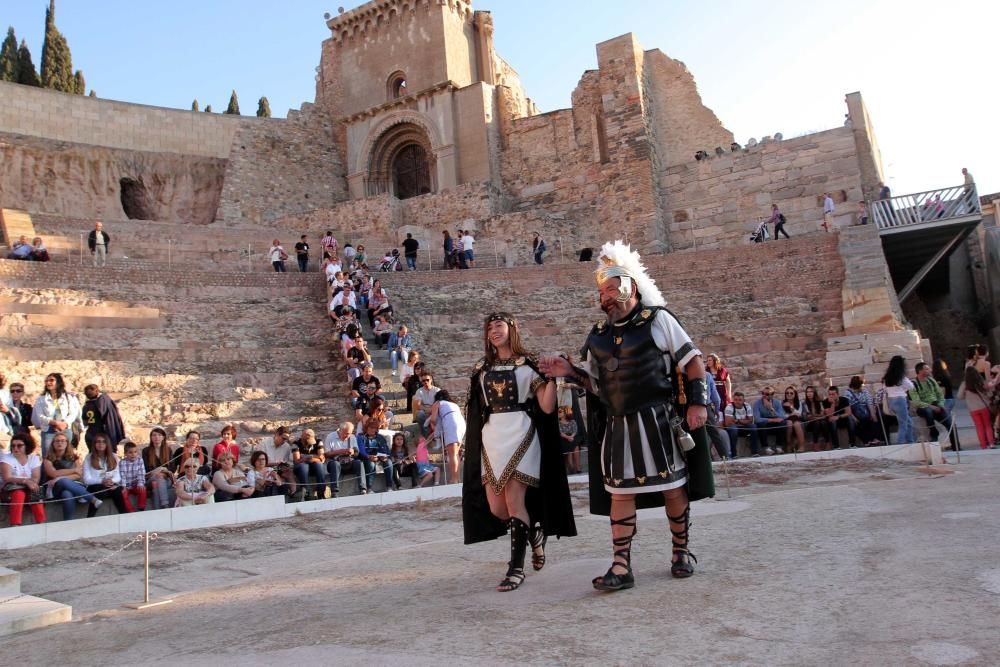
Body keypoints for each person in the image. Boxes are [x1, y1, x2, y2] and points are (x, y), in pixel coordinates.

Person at [540, 240, 711, 591]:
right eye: (600, 291)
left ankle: (681, 552)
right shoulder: (598, 335)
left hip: (658, 420)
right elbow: (596, 385)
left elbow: (692, 361)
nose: (604, 296)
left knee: (672, 487)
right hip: (617, 425)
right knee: (620, 492)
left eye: (609, 288)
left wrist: (697, 403)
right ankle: (621, 565)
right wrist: (568, 370)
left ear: (630, 286)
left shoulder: (659, 319)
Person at [464, 312, 575, 592]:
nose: (493, 331)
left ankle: (515, 569)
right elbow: (477, 411)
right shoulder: (482, 368)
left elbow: (547, 408)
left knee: (515, 503)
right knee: (498, 508)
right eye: (489, 327)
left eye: (498, 325)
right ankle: (535, 535)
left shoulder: (528, 365)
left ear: (512, 329)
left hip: (521, 433)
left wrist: (553, 379)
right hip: (491, 438)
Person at [43, 432, 98, 520]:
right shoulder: (48, 459)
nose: (59, 443)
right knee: (63, 482)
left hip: (74, 485)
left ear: (67, 443)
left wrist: (60, 478)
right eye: (57, 441)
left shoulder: (74, 457)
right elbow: (53, 473)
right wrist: (73, 470)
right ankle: (91, 499)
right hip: (55, 488)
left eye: (62, 441)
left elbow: (79, 474)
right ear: (53, 444)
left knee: (67, 493)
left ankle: (69, 522)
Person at [1, 432, 47, 526]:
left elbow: (35, 478)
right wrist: (25, 481)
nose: (15, 448)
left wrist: (30, 483)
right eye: (13, 446)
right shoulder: (6, 458)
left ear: (27, 446)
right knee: (19, 493)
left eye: (19, 445)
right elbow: (7, 478)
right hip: (9, 490)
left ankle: (42, 523)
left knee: (36, 489)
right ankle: (15, 524)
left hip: (28, 488)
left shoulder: (34, 458)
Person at [909, 361, 957, 449]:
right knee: (928, 411)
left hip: (935, 404)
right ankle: (933, 432)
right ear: (920, 371)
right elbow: (916, 401)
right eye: (926, 369)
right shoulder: (913, 384)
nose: (929, 370)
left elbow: (940, 394)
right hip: (923, 407)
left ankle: (956, 446)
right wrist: (931, 406)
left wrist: (941, 404)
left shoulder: (931, 380)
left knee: (950, 422)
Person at [32, 372, 80, 456]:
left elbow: (73, 413)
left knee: (66, 456)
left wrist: (64, 423)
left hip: (65, 429)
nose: (48, 382)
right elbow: (39, 415)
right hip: (48, 430)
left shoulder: (69, 397)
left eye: (51, 380)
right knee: (48, 456)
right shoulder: (41, 399)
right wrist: (54, 422)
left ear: (58, 382)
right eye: (47, 381)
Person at [82, 433, 130, 516]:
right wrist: (102, 481)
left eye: (104, 442)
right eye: (98, 442)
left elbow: (118, 476)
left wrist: (111, 481)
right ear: (94, 444)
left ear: (107, 444)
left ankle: (124, 516)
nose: (101, 444)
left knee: (117, 490)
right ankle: (90, 517)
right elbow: (86, 479)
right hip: (95, 486)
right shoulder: (88, 458)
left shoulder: (114, 457)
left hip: (110, 485)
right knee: (101, 489)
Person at [427, 389, 466, 484]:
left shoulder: (438, 403)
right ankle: (457, 478)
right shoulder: (454, 405)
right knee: (456, 454)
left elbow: (433, 419)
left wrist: (433, 427)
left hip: (451, 423)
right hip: (461, 424)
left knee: (452, 454)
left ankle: (454, 479)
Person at [957, 366, 997, 449]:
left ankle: (983, 446)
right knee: (988, 425)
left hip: (973, 409)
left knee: (979, 427)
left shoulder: (964, 384)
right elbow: (990, 394)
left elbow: (959, 396)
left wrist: (967, 396)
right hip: (983, 407)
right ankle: (991, 444)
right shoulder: (981, 382)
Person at [323, 422, 365, 496]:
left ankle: (363, 489)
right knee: (334, 464)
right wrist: (340, 452)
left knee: (359, 463)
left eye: (349, 433)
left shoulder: (352, 437)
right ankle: (334, 492)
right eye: (346, 433)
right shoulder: (331, 437)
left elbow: (356, 452)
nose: (348, 436)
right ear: (340, 430)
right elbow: (326, 454)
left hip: (349, 462)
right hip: (336, 462)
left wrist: (352, 452)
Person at [81, 384, 126, 449]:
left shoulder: (85, 407)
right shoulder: (101, 404)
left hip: (90, 434)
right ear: (97, 392)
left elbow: (84, 422)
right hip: (101, 433)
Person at [883, 356, 915, 445]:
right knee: (903, 424)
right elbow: (911, 386)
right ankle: (900, 442)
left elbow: (885, 389)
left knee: (908, 422)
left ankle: (911, 441)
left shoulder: (887, 377)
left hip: (891, 401)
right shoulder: (901, 377)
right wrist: (902, 390)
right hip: (900, 400)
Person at [356, 418, 392, 492]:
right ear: (366, 427)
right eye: (371, 428)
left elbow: (386, 449)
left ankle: (389, 487)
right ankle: (369, 488)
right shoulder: (360, 437)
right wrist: (368, 456)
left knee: (388, 462)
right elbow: (361, 450)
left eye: (375, 428)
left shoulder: (380, 437)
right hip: (366, 458)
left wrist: (384, 456)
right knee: (371, 464)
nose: (373, 430)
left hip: (378, 457)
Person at [142, 426, 174, 509]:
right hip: (150, 477)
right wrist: (158, 470)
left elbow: (172, 468)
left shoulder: (168, 450)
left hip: (166, 478)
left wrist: (163, 470)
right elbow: (145, 469)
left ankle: (157, 509)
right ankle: (165, 505)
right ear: (151, 437)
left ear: (163, 437)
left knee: (156, 483)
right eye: (154, 435)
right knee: (157, 478)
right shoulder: (146, 451)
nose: (156, 437)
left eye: (159, 435)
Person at [291, 429, 327, 501]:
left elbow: (322, 459)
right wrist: (314, 457)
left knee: (319, 465)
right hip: (301, 467)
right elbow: (297, 461)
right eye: (308, 440)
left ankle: (321, 492)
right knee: (303, 466)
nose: (311, 443)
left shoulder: (318, 442)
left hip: (314, 465)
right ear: (303, 439)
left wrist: (307, 458)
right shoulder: (296, 444)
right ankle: (307, 493)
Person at [844, 376, 879, 445]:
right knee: (858, 422)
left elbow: (869, 402)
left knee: (873, 418)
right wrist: (854, 418)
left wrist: (872, 414)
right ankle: (867, 440)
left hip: (865, 412)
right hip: (854, 413)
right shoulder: (847, 393)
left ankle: (874, 439)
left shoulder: (864, 391)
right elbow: (847, 407)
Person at [724, 391, 759, 457]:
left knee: (753, 427)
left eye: (740, 400)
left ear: (744, 400)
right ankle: (734, 454)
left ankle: (754, 452)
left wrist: (737, 420)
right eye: (736, 400)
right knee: (733, 429)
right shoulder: (729, 407)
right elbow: (728, 423)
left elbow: (750, 421)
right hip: (733, 429)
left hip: (743, 428)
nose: (737, 402)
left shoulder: (747, 406)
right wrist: (744, 421)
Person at [753, 386, 787, 455]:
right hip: (765, 423)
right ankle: (766, 448)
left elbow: (782, 416)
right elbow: (757, 419)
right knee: (761, 424)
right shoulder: (757, 403)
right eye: (763, 393)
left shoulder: (777, 403)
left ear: (772, 395)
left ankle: (779, 447)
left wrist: (771, 409)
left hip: (774, 424)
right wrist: (772, 420)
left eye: (767, 394)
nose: (764, 396)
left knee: (783, 423)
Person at [119, 439, 148, 511]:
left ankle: (141, 507)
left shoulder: (140, 460)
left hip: (136, 485)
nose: (133, 454)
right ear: (125, 453)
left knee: (143, 489)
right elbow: (122, 475)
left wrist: (140, 483)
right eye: (130, 452)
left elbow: (141, 473)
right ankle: (131, 511)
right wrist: (124, 487)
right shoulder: (122, 462)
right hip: (126, 485)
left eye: (135, 452)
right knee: (123, 495)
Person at [782, 386, 806, 453]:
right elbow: (782, 415)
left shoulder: (799, 403)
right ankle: (789, 445)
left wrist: (791, 407)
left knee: (797, 424)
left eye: (791, 393)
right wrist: (791, 415)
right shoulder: (782, 403)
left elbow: (799, 414)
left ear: (795, 394)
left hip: (798, 421)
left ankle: (801, 446)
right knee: (789, 422)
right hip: (788, 421)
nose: (789, 394)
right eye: (787, 393)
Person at [558, 406, 580, 474]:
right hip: (563, 439)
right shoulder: (558, 423)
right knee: (570, 446)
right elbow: (560, 433)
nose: (558, 413)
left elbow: (575, 430)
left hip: (572, 438)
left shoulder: (572, 421)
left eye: (560, 412)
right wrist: (568, 437)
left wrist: (571, 436)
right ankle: (571, 468)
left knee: (575, 446)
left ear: (565, 412)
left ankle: (578, 467)